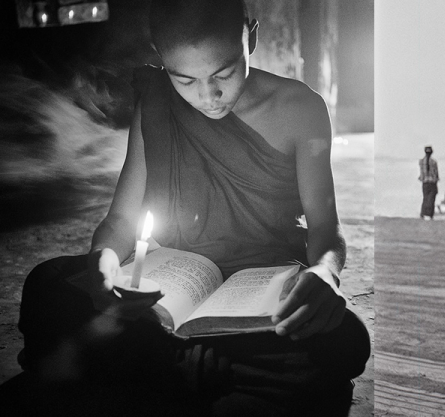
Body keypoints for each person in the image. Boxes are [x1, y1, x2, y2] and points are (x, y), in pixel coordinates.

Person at [15, 0, 370, 415]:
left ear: (250, 37)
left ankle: (160, 367)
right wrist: (104, 262)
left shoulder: (300, 109)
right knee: (45, 283)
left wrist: (324, 273)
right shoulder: (156, 101)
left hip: (260, 287)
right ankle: (199, 369)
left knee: (345, 338)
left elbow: (326, 226)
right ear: (161, 59)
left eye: (224, 73)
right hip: (175, 283)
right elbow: (122, 218)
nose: (209, 95)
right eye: (185, 80)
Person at [418, 146, 439, 220]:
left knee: (425, 198)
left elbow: (421, 173)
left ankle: (423, 213)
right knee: (432, 198)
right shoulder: (434, 162)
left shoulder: (421, 161)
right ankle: (430, 214)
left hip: (424, 182)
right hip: (432, 182)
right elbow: (436, 174)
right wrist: (436, 180)